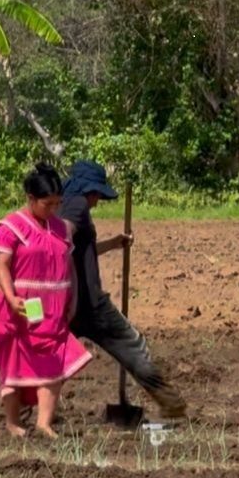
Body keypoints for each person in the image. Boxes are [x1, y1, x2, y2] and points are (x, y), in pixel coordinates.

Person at [59, 159, 187, 420]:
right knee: (131, 343)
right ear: (90, 190)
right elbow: (62, 240)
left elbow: (81, 251)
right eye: (97, 195)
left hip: (66, 300)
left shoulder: (62, 204)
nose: (97, 201)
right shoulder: (77, 206)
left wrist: (113, 243)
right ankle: (170, 402)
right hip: (88, 302)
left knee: (52, 355)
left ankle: (27, 410)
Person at [0, 163, 92, 438]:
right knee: (16, 361)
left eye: (58, 203)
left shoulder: (60, 228)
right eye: (48, 203)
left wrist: (74, 299)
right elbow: (2, 266)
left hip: (55, 306)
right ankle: (13, 422)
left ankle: (44, 422)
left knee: (53, 363)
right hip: (25, 305)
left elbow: (69, 267)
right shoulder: (12, 226)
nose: (54, 209)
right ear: (31, 199)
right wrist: (11, 298)